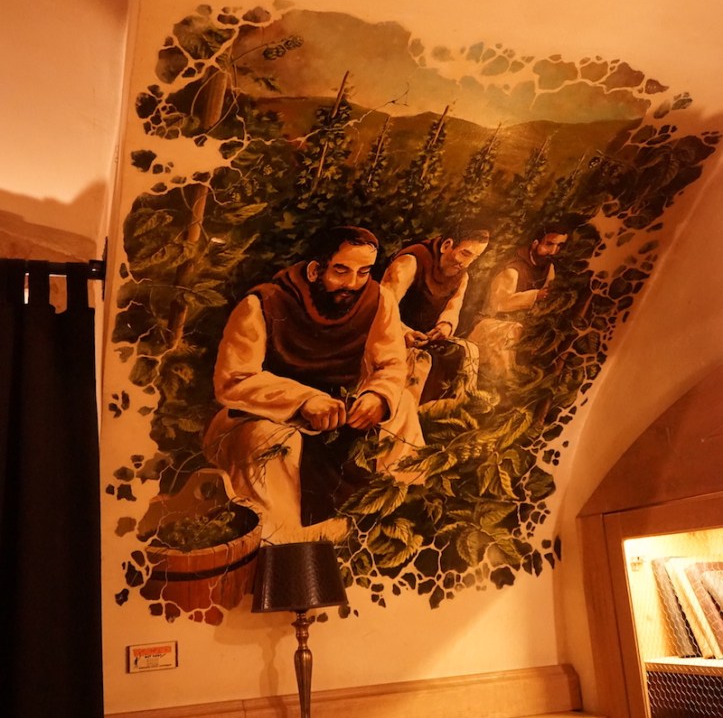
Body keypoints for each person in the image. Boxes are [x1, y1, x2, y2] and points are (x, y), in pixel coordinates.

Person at [203, 226, 423, 543]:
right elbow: (233, 380)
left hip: (341, 410)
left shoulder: (378, 300)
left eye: (363, 272)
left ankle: (396, 521)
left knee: (401, 406)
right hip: (268, 415)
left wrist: (378, 395)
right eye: (341, 271)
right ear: (314, 270)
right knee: (266, 442)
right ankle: (284, 545)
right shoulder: (262, 304)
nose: (352, 283)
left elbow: (390, 363)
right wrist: (303, 401)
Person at [381, 225, 490, 402]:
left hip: (426, 338)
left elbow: (453, 308)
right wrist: (404, 332)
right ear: (447, 245)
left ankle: (454, 408)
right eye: (465, 253)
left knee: (468, 351)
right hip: (393, 335)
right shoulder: (409, 262)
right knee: (419, 363)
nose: (466, 263)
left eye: (474, 258)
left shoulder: (462, 276)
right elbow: (383, 308)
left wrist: (444, 326)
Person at [468, 224, 569, 380]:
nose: (553, 251)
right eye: (549, 244)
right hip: (491, 324)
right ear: (535, 243)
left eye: (559, 246)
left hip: (524, 323)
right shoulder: (513, 269)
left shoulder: (548, 268)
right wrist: (536, 295)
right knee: (513, 332)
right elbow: (499, 304)